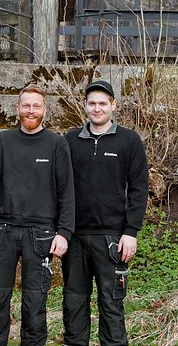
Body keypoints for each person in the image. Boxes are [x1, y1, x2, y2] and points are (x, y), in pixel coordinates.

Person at [0, 83, 75, 346]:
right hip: (3, 231)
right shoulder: (2, 142)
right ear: (17, 108)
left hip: (41, 233)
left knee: (35, 302)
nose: (31, 110)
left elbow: (67, 193)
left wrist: (64, 232)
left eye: (36, 106)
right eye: (26, 105)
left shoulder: (57, 144)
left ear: (45, 109)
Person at [62, 80, 149, 346]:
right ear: (85, 106)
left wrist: (130, 232)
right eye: (92, 103)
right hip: (75, 236)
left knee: (111, 305)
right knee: (74, 303)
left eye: (102, 103)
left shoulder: (129, 141)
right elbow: (60, 187)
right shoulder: (70, 140)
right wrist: (61, 230)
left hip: (112, 238)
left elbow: (138, 188)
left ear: (113, 105)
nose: (97, 108)